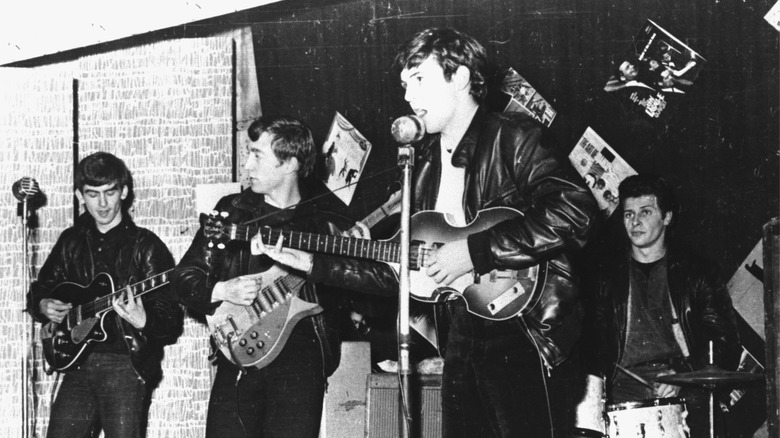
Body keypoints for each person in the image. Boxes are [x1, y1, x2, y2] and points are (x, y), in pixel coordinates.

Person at [386, 27, 598, 438]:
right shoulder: (425, 164)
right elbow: (404, 265)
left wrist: (476, 250)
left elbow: (576, 209)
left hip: (525, 328)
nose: (409, 98)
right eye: (404, 85)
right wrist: (312, 261)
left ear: (461, 78)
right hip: (462, 334)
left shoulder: (513, 136)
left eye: (419, 80)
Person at [171, 115, 397, 438]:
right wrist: (223, 289)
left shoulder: (328, 225)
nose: (247, 165)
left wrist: (357, 261)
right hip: (238, 357)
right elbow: (183, 278)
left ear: (290, 163)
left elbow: (372, 306)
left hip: (302, 364)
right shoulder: (231, 212)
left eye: (256, 155)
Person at [27, 151, 184, 438]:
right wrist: (44, 304)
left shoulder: (146, 246)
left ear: (123, 191)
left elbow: (172, 320)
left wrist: (144, 320)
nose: (102, 204)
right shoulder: (71, 241)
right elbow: (41, 288)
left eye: (110, 193)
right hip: (75, 365)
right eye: (92, 194)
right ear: (79, 195)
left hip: (124, 363)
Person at [581, 174, 741, 436]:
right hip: (623, 392)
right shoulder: (607, 279)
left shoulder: (697, 273)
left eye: (645, 212)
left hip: (686, 388)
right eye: (628, 214)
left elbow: (724, 343)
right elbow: (593, 345)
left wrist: (681, 374)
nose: (635, 222)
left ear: (666, 217)